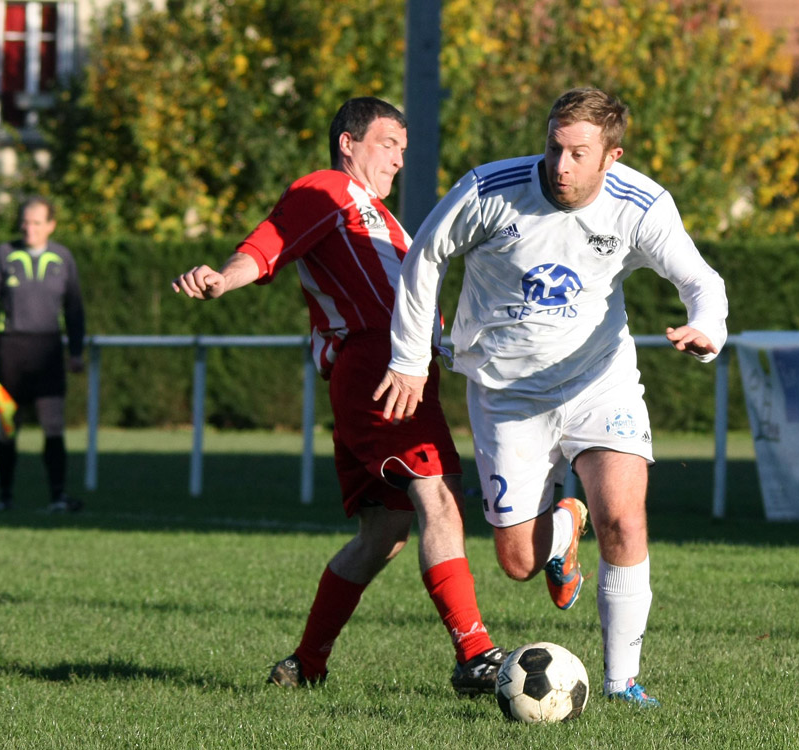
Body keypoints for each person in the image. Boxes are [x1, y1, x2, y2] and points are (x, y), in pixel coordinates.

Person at [376, 87, 729, 708]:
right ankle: (564, 531)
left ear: (610, 157)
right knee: (518, 563)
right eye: (553, 146)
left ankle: (623, 683)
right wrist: (408, 358)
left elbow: (699, 279)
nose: (559, 166)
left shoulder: (642, 205)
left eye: (577, 153)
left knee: (623, 517)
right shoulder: (490, 189)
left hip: (600, 383)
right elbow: (425, 255)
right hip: (506, 396)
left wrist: (708, 327)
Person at [171, 97, 505, 695]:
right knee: (438, 497)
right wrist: (225, 276)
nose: (399, 160)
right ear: (348, 143)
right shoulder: (327, 189)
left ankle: (306, 663)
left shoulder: (385, 219)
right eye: (387, 144)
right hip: (378, 368)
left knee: (385, 532)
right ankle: (475, 653)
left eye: (404, 149)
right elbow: (269, 242)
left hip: (382, 371)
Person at [0, 195, 86, 513]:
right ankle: (5, 497)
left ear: (51, 225)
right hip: (10, 350)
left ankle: (58, 496)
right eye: (25, 221)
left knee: (53, 426)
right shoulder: (3, 254)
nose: (29, 228)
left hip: (49, 352)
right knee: (9, 427)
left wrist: (75, 351)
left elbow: (75, 309)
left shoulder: (63, 258)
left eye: (37, 222)